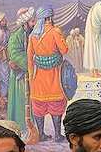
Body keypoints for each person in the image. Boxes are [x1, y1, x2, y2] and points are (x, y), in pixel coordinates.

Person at [27, 7, 69, 141]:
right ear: (49, 18)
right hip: (54, 76)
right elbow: (64, 50)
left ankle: (41, 134)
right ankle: (57, 135)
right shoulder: (55, 31)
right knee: (56, 103)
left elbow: (29, 58)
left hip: (38, 77)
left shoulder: (32, 35)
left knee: (39, 105)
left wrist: (31, 77)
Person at [7, 7, 36, 135]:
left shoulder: (33, 34)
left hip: (31, 74)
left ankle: (34, 129)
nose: (34, 23)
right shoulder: (16, 36)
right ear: (25, 22)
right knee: (21, 101)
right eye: (32, 21)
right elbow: (15, 54)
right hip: (20, 76)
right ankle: (22, 129)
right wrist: (30, 63)